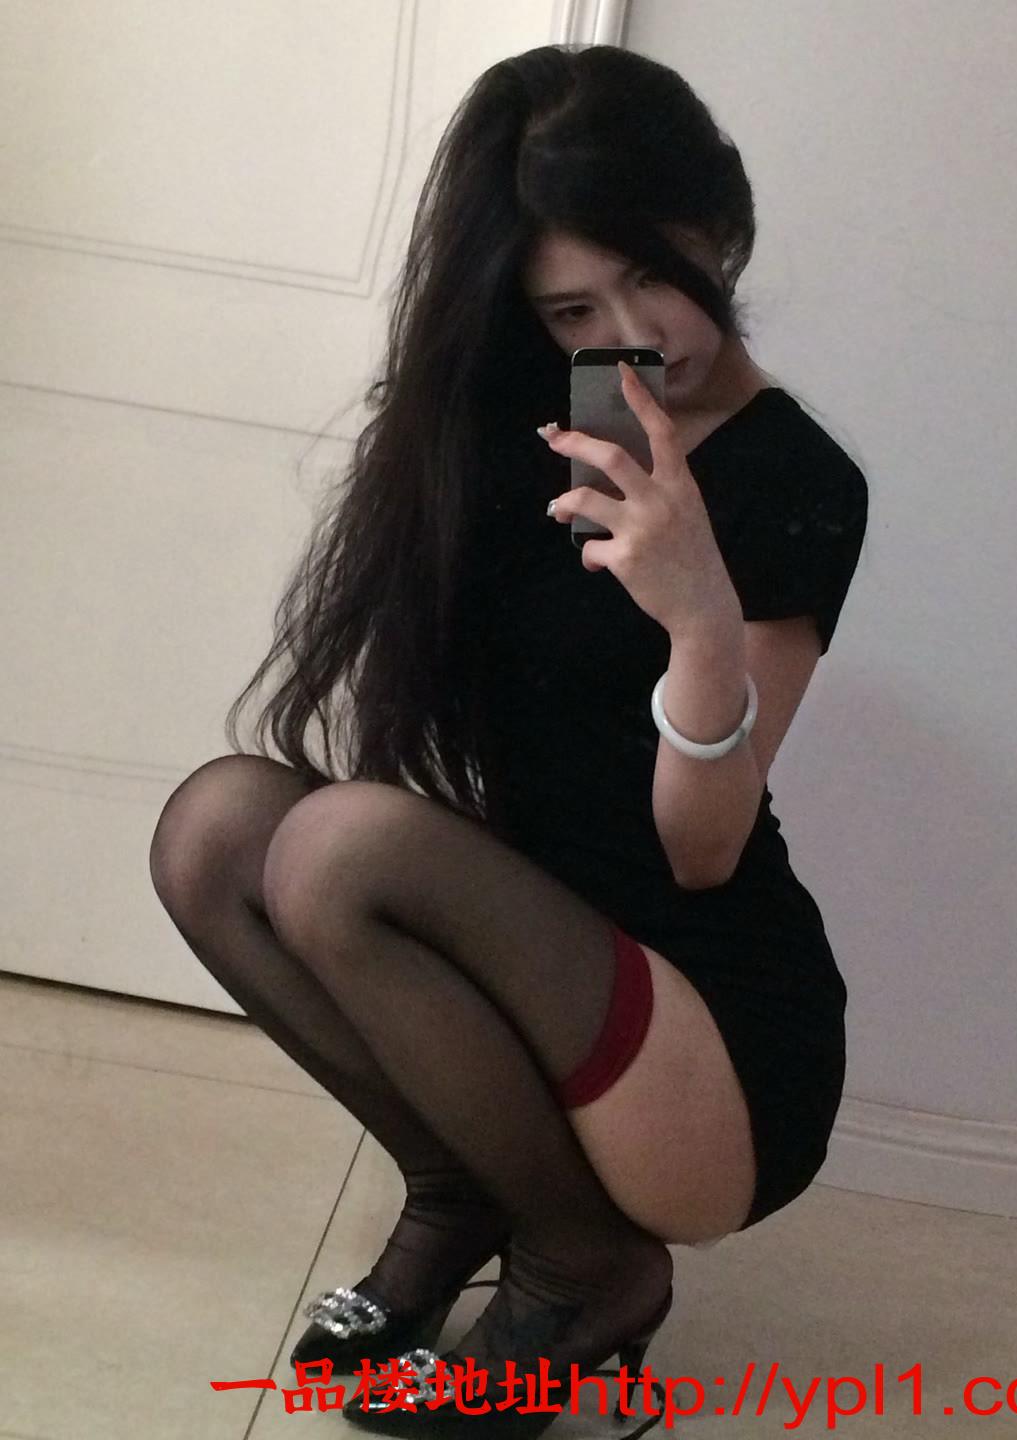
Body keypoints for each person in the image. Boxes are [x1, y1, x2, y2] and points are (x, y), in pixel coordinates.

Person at [148, 42, 868, 1437]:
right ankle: (461, 1190)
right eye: (573, 308)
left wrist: (701, 617)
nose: (636, 332)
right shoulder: (520, 421)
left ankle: (589, 1267)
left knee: (343, 848)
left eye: (654, 273)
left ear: (719, 225)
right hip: (537, 940)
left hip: (712, 1031)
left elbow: (701, 851)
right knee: (217, 830)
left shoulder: (796, 478)